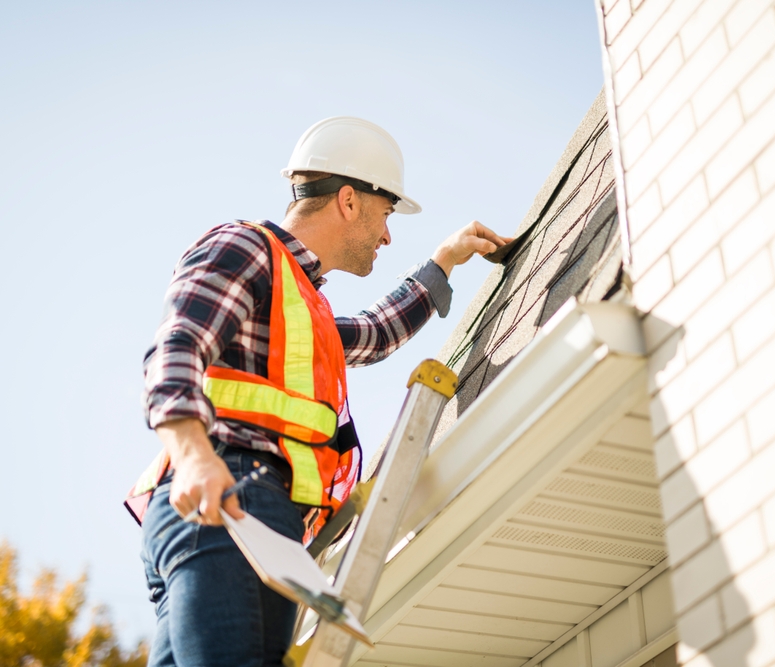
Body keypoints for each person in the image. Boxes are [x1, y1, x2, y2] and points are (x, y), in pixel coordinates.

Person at [127, 117, 511, 666]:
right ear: (349, 201)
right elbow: (177, 346)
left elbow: (375, 335)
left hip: (252, 514)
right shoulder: (246, 246)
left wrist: (444, 261)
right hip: (229, 494)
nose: (386, 235)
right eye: (384, 215)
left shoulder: (302, 302)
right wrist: (193, 457)